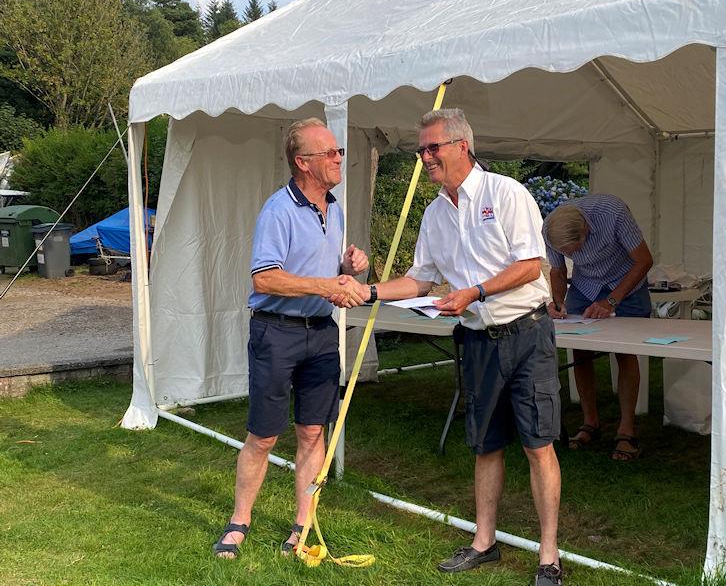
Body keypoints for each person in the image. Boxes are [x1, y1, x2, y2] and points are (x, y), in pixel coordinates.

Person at [335, 108, 564, 585]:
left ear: (462, 146)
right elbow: (420, 280)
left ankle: (549, 556)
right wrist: (369, 291)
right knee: (485, 444)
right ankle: (484, 543)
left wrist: (474, 292)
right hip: (479, 340)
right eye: (421, 149)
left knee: (538, 445)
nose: (425, 157)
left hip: (526, 334)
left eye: (432, 147)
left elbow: (530, 265)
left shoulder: (507, 193)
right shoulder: (436, 212)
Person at [212, 118, 369, 559]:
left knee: (312, 432)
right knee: (263, 435)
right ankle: (239, 520)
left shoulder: (333, 208)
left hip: (320, 333)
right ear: (303, 163)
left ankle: (302, 523)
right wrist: (326, 286)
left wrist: (349, 262)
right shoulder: (277, 209)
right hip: (276, 333)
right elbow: (265, 278)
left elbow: (326, 267)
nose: (340, 159)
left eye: (339, 152)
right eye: (331, 153)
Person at [543, 194, 653, 461]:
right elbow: (558, 272)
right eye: (566, 252)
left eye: (574, 250)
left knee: (625, 351)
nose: (571, 256)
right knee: (580, 351)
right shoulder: (550, 228)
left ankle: (626, 430)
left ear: (587, 231)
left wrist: (612, 300)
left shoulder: (613, 213)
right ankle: (590, 421)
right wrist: (558, 301)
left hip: (626, 282)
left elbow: (644, 260)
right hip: (585, 286)